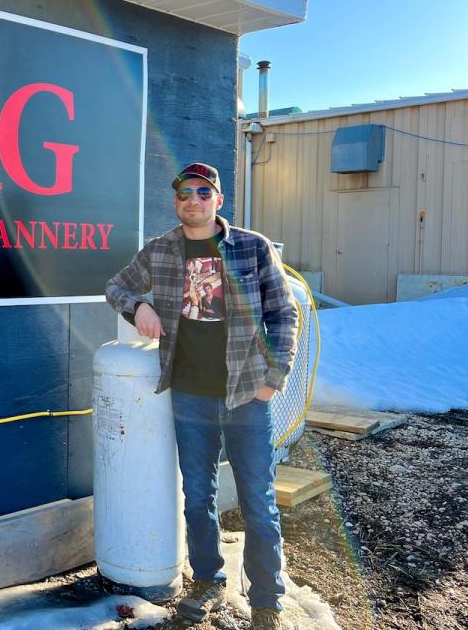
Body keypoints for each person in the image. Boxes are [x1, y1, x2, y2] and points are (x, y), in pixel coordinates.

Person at [105, 162, 299, 630]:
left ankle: (267, 602)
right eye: (183, 194)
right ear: (176, 201)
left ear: (218, 199)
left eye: (201, 192)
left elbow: (283, 313)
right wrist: (140, 306)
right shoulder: (160, 249)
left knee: (258, 501)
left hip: (247, 393)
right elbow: (116, 287)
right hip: (190, 394)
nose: (192, 200)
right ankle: (209, 580)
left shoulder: (251, 248)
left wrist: (274, 377)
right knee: (197, 497)